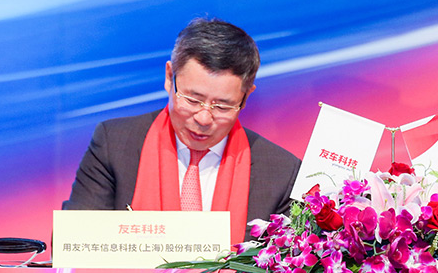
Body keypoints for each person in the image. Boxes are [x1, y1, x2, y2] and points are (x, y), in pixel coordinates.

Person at [63, 18, 300, 243]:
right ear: (169, 77)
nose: (204, 118)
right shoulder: (114, 144)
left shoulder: (281, 172)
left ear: (246, 97)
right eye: (193, 100)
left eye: (222, 106)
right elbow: (75, 242)